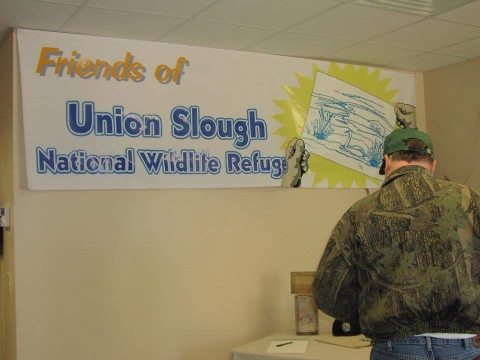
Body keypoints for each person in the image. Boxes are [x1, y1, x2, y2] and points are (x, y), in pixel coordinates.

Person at [312, 128, 480, 360]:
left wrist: (369, 312)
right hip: (461, 347)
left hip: (394, 347)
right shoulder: (469, 200)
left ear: (387, 161)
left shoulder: (362, 211)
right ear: (432, 164)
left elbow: (328, 292)